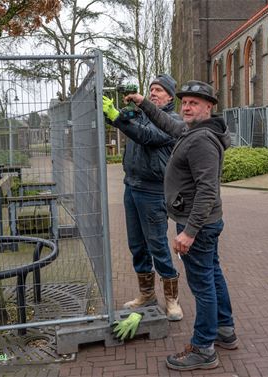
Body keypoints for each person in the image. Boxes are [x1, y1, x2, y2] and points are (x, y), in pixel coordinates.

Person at [125, 80, 237, 371]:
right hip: (202, 223)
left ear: (209, 107)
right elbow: (166, 123)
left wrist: (189, 232)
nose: (187, 107)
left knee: (203, 286)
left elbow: (207, 190)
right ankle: (225, 331)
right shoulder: (194, 130)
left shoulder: (202, 141)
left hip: (196, 226)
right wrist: (143, 102)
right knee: (212, 275)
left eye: (194, 103)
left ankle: (203, 348)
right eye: (184, 102)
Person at [102, 74, 183, 321]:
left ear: (170, 96)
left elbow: (147, 136)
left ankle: (172, 300)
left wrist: (119, 118)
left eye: (159, 90)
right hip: (132, 187)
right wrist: (111, 113)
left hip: (153, 190)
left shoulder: (173, 121)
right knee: (137, 245)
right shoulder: (143, 115)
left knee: (157, 245)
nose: (154, 93)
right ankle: (146, 294)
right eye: (151, 89)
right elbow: (133, 126)